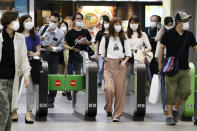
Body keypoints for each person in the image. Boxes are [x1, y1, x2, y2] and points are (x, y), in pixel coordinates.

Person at [158, 12, 197, 125]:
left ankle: (175, 108)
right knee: (171, 93)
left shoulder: (189, 35)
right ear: (178, 22)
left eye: (187, 21)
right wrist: (160, 64)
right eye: (185, 21)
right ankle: (169, 116)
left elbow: (195, 48)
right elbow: (161, 49)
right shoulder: (168, 34)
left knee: (186, 92)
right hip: (171, 68)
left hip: (185, 69)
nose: (187, 23)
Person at [0, 11, 31, 131]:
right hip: (1, 78)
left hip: (14, 79)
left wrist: (27, 74)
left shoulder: (20, 38)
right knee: (5, 107)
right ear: (7, 23)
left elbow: (24, 57)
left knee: (11, 108)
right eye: (15, 20)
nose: (17, 23)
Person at [99, 17, 130, 122]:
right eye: (116, 24)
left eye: (119, 24)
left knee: (120, 93)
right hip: (108, 66)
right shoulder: (106, 38)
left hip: (120, 65)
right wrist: (104, 57)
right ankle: (108, 109)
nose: (118, 26)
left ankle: (117, 115)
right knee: (109, 89)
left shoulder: (123, 38)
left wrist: (124, 63)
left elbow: (128, 54)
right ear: (112, 25)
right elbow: (101, 52)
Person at [13, 14, 41, 124]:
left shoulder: (36, 36)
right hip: (17, 65)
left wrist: (33, 53)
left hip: (31, 64)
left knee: (30, 89)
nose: (29, 22)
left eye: (30, 20)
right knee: (15, 88)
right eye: (26, 20)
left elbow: (38, 52)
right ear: (22, 22)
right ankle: (14, 111)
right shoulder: (16, 35)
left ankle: (28, 114)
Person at [64, 12, 92, 105]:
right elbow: (65, 44)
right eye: (77, 19)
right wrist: (71, 48)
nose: (79, 20)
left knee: (81, 74)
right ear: (73, 21)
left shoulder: (85, 31)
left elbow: (90, 42)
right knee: (72, 75)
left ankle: (78, 93)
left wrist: (86, 42)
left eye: (80, 19)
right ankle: (69, 91)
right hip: (73, 56)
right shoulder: (70, 33)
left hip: (83, 56)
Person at [38, 12, 64, 108]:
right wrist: (40, 40)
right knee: (41, 76)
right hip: (42, 54)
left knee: (53, 78)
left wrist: (53, 48)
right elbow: (37, 40)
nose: (52, 23)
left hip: (53, 56)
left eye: (54, 21)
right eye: (51, 21)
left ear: (58, 22)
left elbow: (61, 46)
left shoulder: (61, 33)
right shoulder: (43, 28)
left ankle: (51, 99)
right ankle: (42, 97)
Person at [126, 15, 152, 90]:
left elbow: (149, 47)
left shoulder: (143, 34)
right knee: (128, 75)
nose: (134, 24)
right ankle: (129, 90)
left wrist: (146, 50)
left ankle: (140, 90)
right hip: (129, 57)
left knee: (141, 75)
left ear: (138, 24)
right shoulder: (125, 34)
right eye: (132, 23)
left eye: (135, 22)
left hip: (140, 57)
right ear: (129, 24)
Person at [95, 15, 110, 88]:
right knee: (100, 68)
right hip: (101, 53)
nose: (106, 24)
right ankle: (99, 82)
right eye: (105, 22)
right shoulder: (100, 32)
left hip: (109, 54)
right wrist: (96, 54)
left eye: (107, 22)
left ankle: (107, 82)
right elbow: (97, 43)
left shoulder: (112, 33)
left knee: (107, 68)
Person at [59, 21, 71, 100]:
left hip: (66, 53)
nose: (63, 27)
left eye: (64, 25)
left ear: (67, 26)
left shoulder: (69, 34)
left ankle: (65, 89)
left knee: (66, 71)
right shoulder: (57, 33)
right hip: (59, 53)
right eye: (61, 25)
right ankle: (63, 86)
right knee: (61, 72)